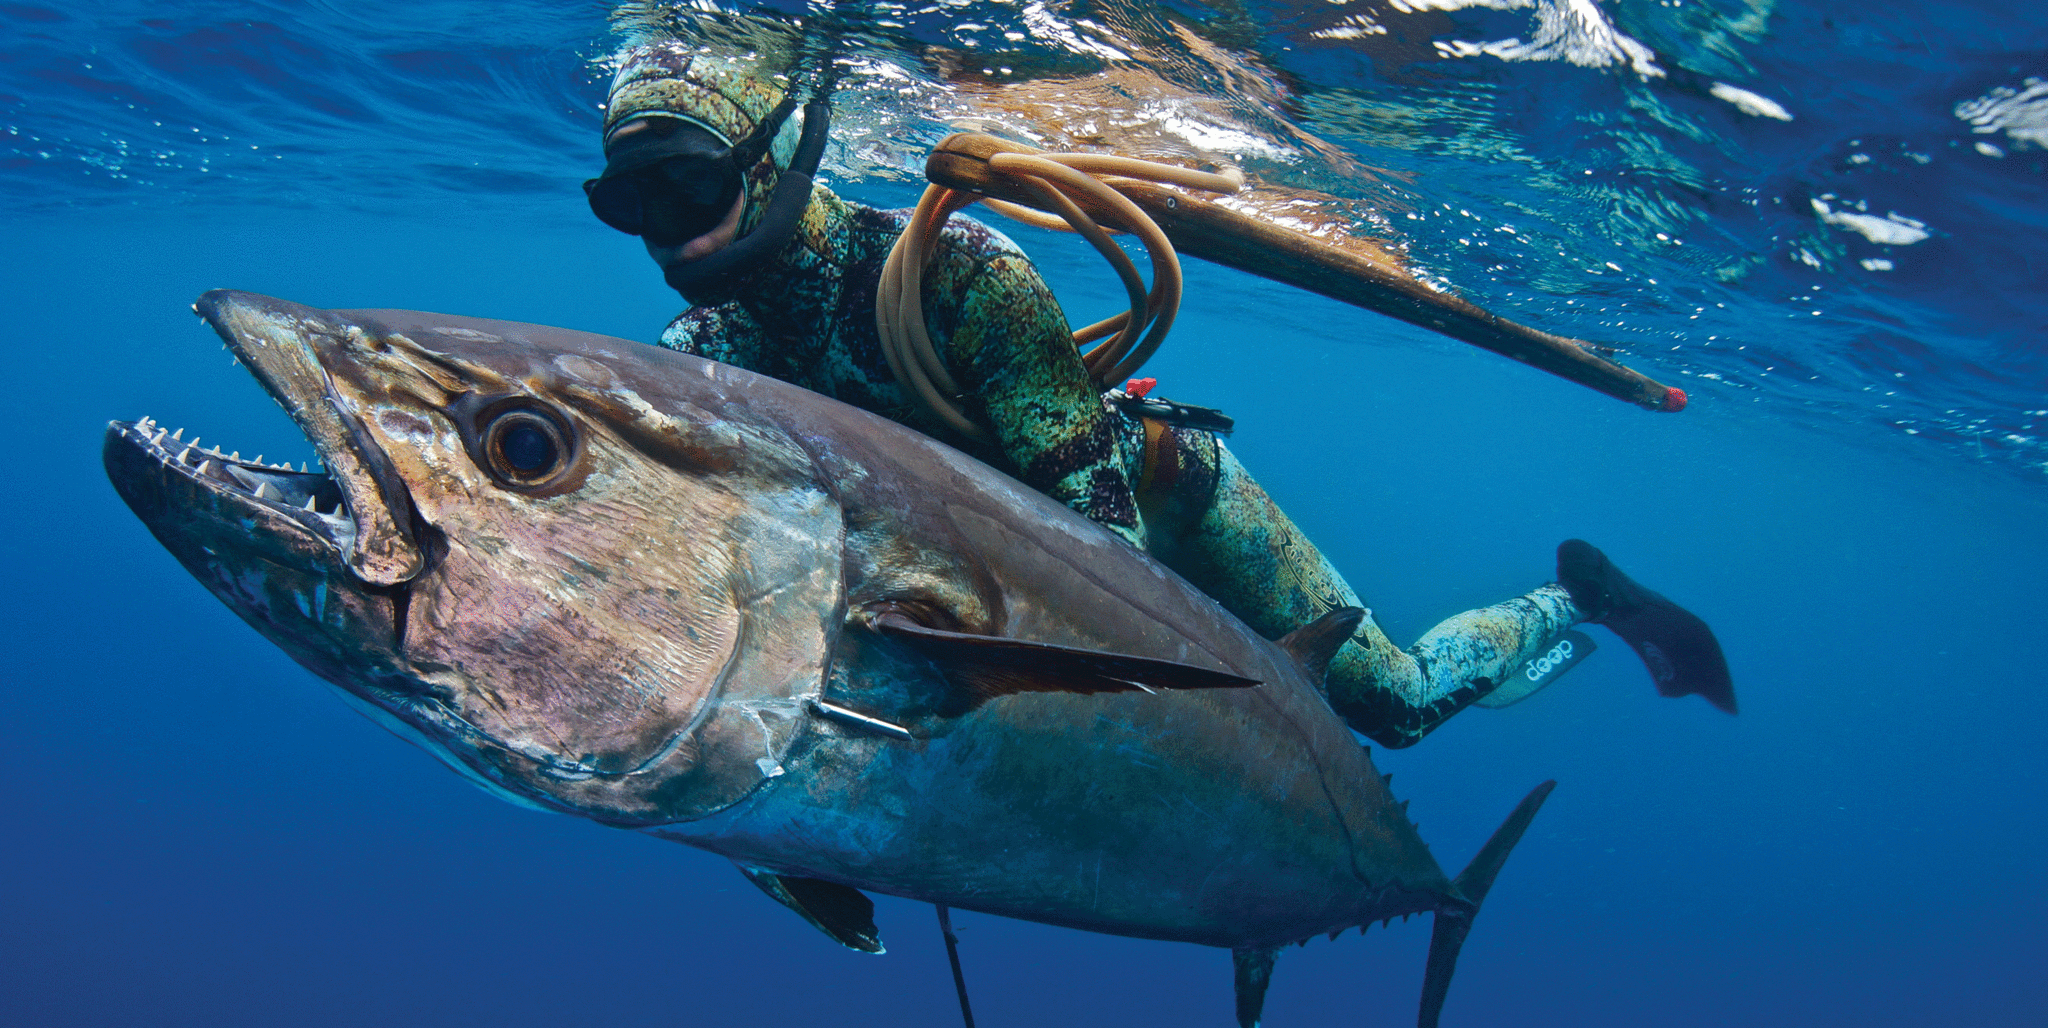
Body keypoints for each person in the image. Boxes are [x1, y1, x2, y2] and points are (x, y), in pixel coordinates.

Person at [583, 42, 1735, 746]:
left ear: (784, 148)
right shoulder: (699, 345)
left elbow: (1105, 556)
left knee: (1391, 702)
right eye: (627, 203)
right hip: (991, 572)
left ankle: (1568, 601)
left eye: (686, 182)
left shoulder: (960, 274)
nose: (667, 231)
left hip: (1161, 503)